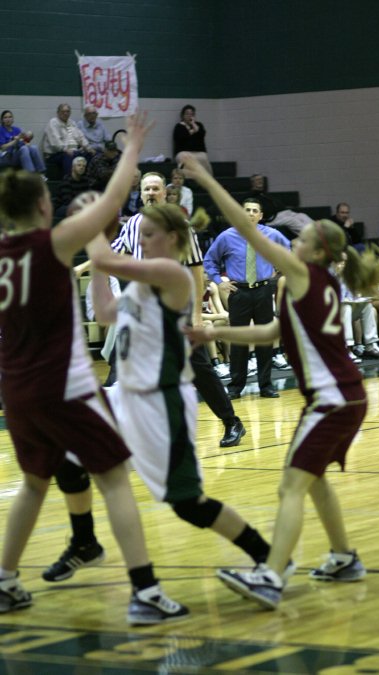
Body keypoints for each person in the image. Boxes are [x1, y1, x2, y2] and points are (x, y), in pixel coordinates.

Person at [180, 151, 379, 609]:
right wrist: (213, 331)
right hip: (342, 396)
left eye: (303, 239)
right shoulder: (319, 284)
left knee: (291, 486)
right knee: (311, 481)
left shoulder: (303, 274)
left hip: (332, 399)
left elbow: (249, 229)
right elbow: (273, 333)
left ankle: (272, 577)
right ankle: (344, 556)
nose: (294, 241)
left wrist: (206, 180)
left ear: (316, 251)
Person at [0, 111, 189, 625]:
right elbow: (110, 202)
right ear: (43, 203)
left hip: (15, 391)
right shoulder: (52, 242)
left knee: (36, 483)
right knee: (114, 479)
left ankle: (5, 580)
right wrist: (134, 147)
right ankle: (145, 590)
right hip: (64, 383)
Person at [83, 203, 278, 587]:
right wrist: (99, 263)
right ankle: (106, 557)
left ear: (173, 239)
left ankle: (269, 558)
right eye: (140, 234)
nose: (141, 240)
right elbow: (105, 311)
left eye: (149, 234)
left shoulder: (172, 274)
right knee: (78, 457)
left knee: (189, 505)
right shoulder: (142, 282)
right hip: (127, 396)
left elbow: (110, 258)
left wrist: (94, 236)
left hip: (162, 402)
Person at [111, 171, 245, 446]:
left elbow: (197, 270)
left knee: (198, 369)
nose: (150, 193)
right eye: (146, 189)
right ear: (141, 194)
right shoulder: (133, 224)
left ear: (165, 194)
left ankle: (232, 422)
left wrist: (197, 315)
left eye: (155, 189)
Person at [203, 198, 291, 399]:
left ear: (260, 215)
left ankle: (266, 385)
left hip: (262, 291)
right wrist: (219, 281)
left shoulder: (271, 234)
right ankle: (236, 386)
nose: (250, 213)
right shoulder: (227, 236)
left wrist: (279, 267)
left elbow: (289, 250)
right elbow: (209, 260)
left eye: (254, 211)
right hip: (238, 292)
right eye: (247, 210)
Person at [42, 103, 96, 176]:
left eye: (68, 111)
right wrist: (65, 149)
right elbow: (55, 142)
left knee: (90, 154)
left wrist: (88, 148)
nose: (65, 113)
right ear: (58, 113)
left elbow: (80, 137)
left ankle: (87, 179)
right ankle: (69, 180)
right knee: (68, 155)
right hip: (55, 154)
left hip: (73, 151)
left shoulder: (72, 123)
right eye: (63, 111)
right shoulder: (53, 122)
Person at [173, 105, 212, 175]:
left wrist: (193, 124)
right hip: (183, 152)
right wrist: (191, 131)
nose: (189, 116)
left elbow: (202, 134)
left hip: (198, 152)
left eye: (191, 114)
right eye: (187, 114)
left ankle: (207, 179)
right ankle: (185, 178)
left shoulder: (199, 125)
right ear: (183, 115)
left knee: (204, 158)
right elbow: (181, 138)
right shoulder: (179, 126)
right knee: (184, 159)